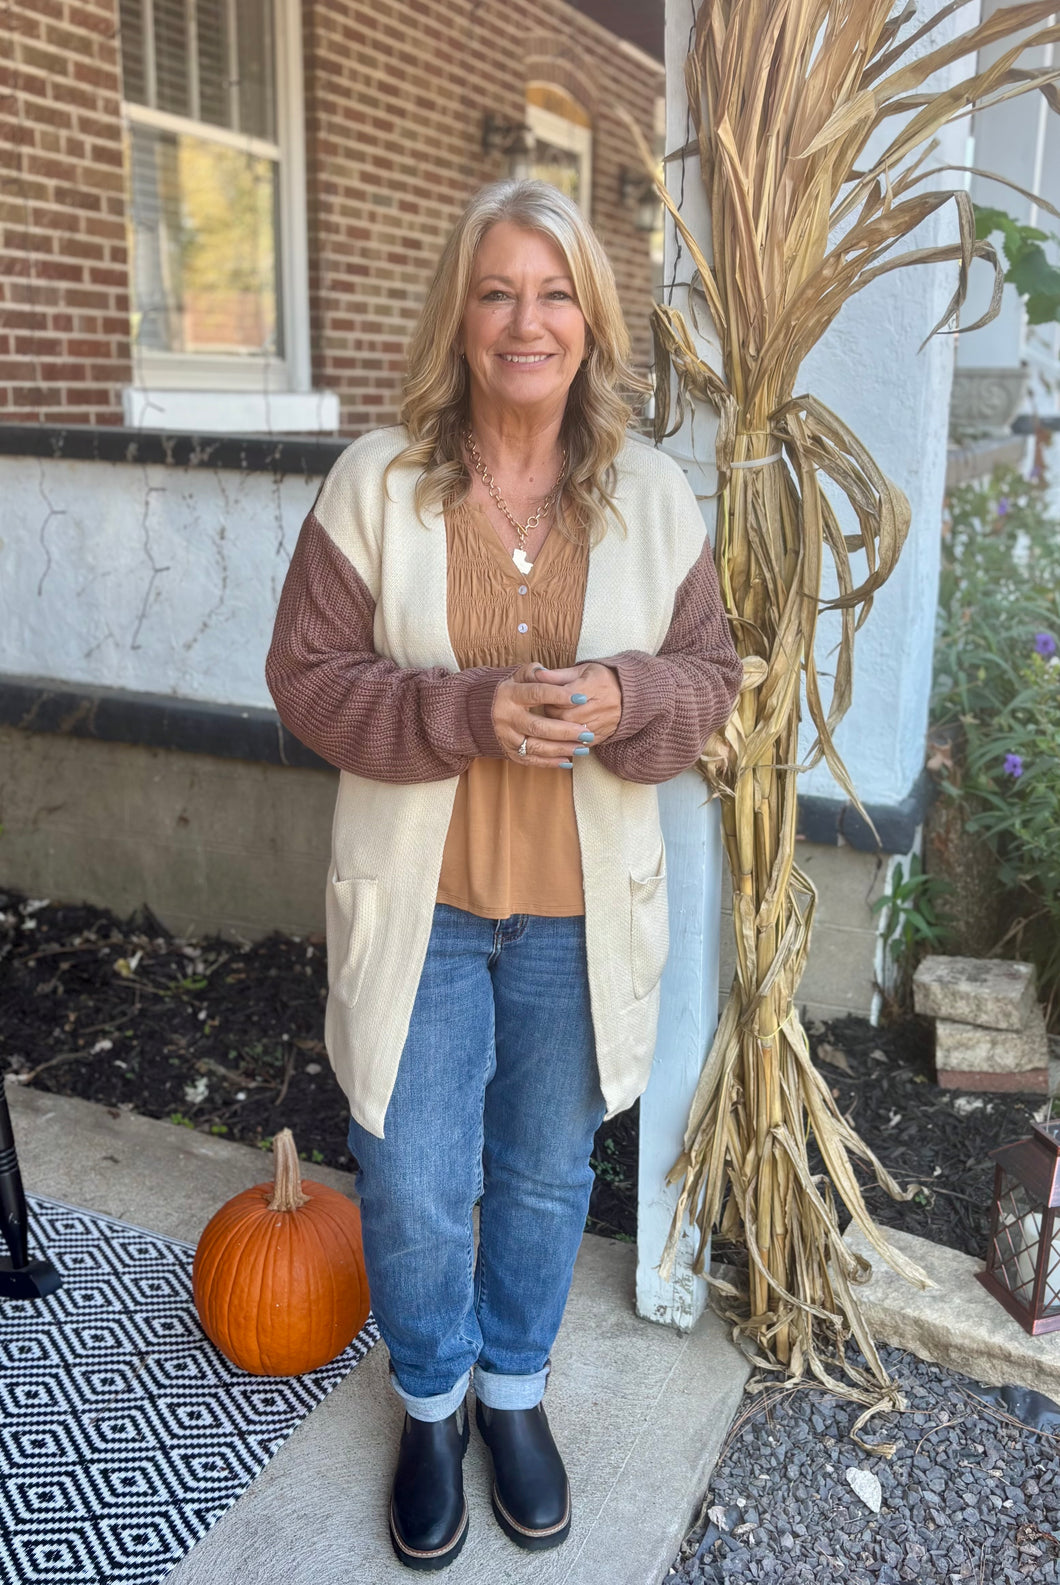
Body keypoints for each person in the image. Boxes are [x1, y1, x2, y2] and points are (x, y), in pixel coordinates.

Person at [266, 179, 742, 1571]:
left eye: (553, 292)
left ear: (591, 320)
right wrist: (466, 711)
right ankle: (432, 1404)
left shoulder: (653, 495)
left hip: (578, 916)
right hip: (425, 909)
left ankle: (515, 1395)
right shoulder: (377, 482)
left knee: (541, 1175)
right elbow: (304, 678)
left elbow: (711, 681)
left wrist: (626, 689)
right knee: (414, 1177)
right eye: (496, 291)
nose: (525, 320)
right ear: (459, 319)